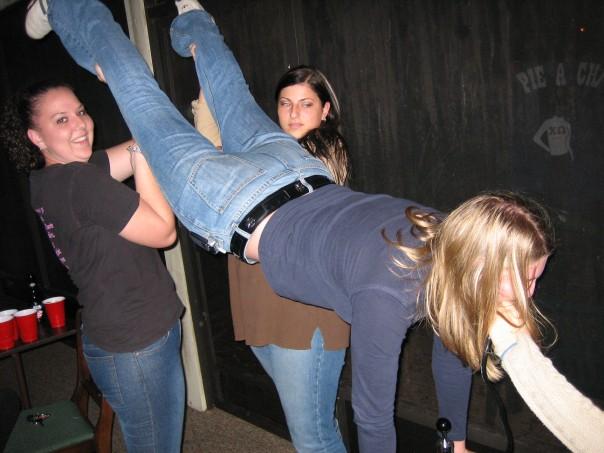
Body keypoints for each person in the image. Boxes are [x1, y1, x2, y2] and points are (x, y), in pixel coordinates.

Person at [24, 1, 604, 451]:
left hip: (294, 168)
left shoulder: (446, 227)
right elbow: (372, 418)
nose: (530, 291)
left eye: (533, 277)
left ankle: (192, 19)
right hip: (231, 203)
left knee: (226, 91)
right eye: (525, 276)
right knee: (138, 92)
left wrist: (452, 438)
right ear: (483, 257)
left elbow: (455, 343)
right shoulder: (389, 294)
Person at [0, 78, 185, 452]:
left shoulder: (49, 179)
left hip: (117, 333)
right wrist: (144, 154)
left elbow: (125, 152)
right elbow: (164, 232)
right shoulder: (79, 180)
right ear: (35, 137)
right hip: (136, 341)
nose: (81, 124)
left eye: (80, 112)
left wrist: (149, 136)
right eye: (62, 120)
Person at [192, 65, 351, 452]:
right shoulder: (261, 148)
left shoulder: (321, 154)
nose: (294, 113)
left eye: (306, 104)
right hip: (261, 300)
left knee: (312, 436)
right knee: (314, 423)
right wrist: (208, 72)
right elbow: (208, 163)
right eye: (285, 103)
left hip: (303, 312)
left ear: (325, 110)